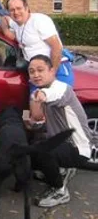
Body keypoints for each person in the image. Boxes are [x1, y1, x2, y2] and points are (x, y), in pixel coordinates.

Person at [27, 54, 92, 208]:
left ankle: (60, 190)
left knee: (43, 152)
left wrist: (40, 96)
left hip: (79, 148)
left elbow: (50, 95)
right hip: (60, 142)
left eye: (40, 70)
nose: (36, 74)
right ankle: (60, 170)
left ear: (52, 71)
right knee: (30, 148)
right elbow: (35, 120)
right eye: (31, 71)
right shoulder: (36, 93)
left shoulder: (62, 88)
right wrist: (27, 118)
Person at [0, 0, 74, 126]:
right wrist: (5, 30)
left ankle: (70, 142)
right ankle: (40, 137)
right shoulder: (17, 24)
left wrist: (52, 73)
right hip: (36, 73)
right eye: (12, 10)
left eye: (19, 8)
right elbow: (4, 19)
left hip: (56, 69)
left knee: (60, 112)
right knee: (36, 113)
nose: (16, 12)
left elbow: (56, 46)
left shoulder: (39, 21)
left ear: (27, 8)